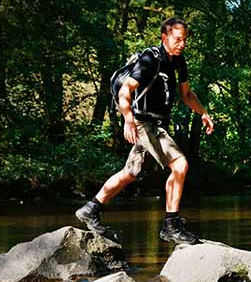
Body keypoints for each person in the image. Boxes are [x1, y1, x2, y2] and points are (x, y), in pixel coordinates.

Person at [76, 17, 214, 245]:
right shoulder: (151, 59)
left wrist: (204, 113)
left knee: (130, 172)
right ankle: (171, 225)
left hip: (154, 123)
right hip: (143, 123)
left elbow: (187, 95)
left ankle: (90, 209)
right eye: (178, 39)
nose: (182, 44)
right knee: (179, 164)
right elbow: (125, 91)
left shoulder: (179, 62)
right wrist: (128, 119)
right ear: (164, 37)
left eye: (185, 40)